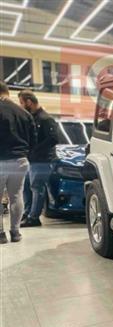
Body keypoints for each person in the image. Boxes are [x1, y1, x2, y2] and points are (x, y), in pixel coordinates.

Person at [0, 82, 37, 244]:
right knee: (17, 196)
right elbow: (33, 140)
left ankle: (0, 235)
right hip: (21, 160)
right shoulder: (24, 113)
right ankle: (15, 232)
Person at [19, 90, 58, 227]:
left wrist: (35, 150)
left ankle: (34, 217)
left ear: (29, 102)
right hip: (32, 160)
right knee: (27, 187)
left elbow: (54, 139)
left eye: (22, 103)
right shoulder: (32, 118)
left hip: (42, 160)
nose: (21, 106)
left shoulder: (45, 118)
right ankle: (27, 212)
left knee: (37, 187)